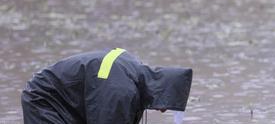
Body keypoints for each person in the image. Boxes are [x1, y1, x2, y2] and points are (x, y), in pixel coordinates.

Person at [21, 48, 193, 124]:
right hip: (44, 98)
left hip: (69, 102)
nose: (162, 110)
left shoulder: (136, 74)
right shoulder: (120, 91)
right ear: (161, 90)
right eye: (165, 105)